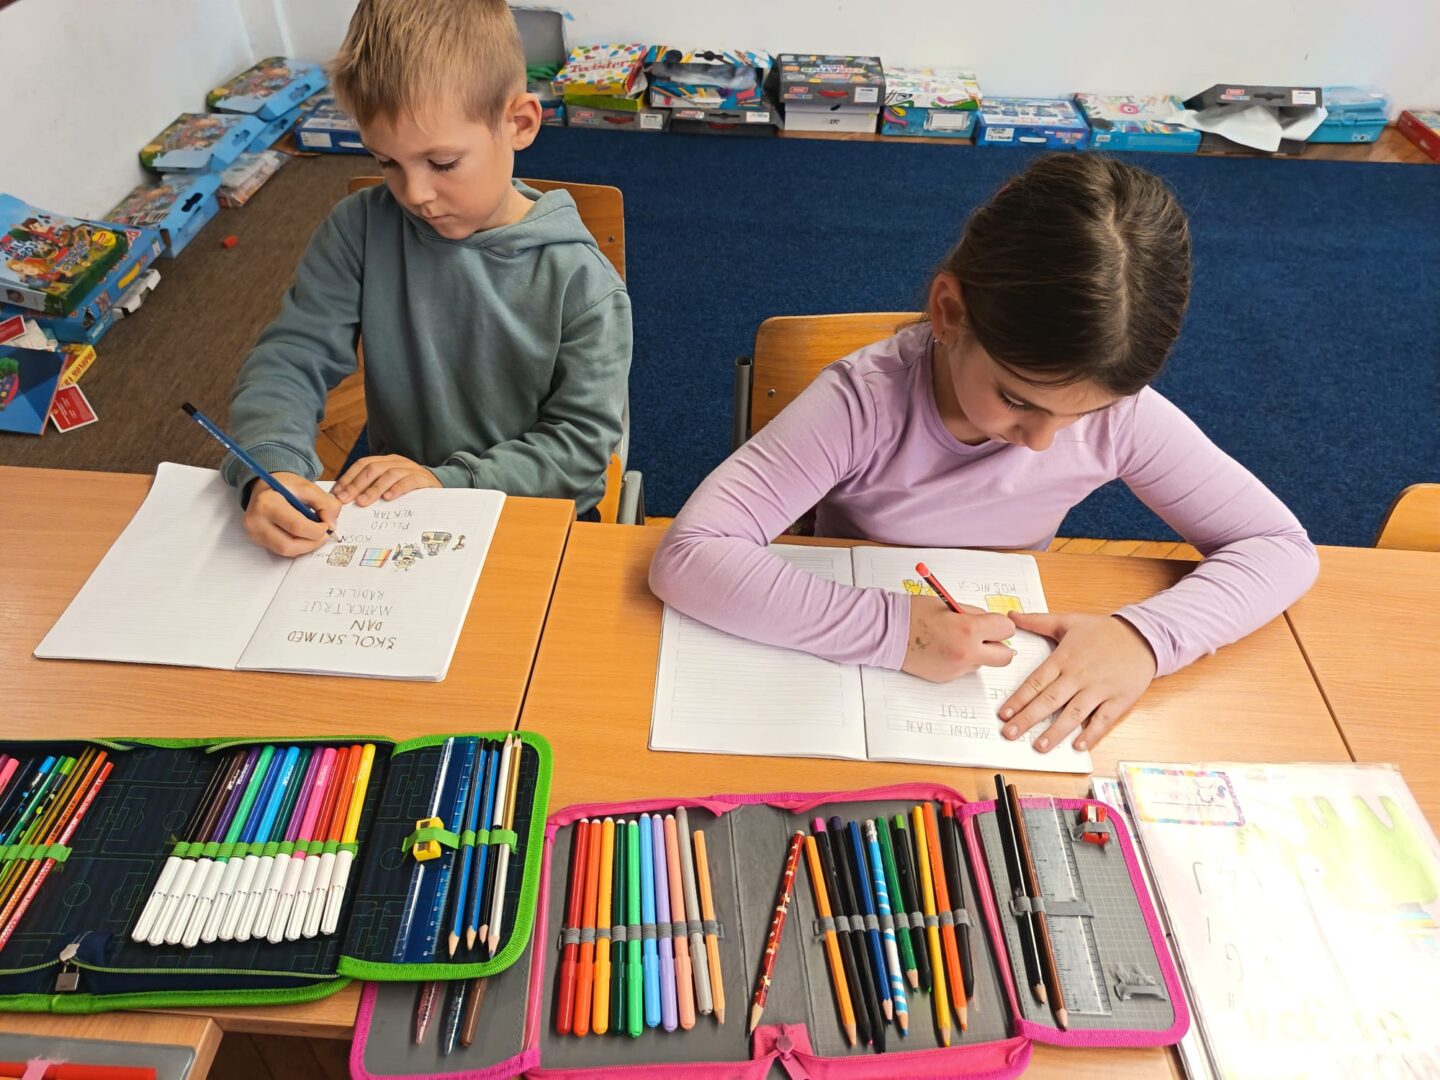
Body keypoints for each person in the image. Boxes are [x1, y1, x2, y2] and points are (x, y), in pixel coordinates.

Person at [649, 154, 1317, 753]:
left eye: (1084, 414)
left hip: (987, 661)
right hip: (859, 654)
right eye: (1018, 400)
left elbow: (1279, 546)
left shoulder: (1125, 416)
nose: (1043, 441)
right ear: (949, 313)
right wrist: (894, 631)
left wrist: (1144, 638)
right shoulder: (866, 401)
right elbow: (691, 554)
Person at [222, 0, 631, 554]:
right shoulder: (359, 229)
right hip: (399, 516)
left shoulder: (582, 282)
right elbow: (292, 357)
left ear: (519, 123)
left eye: (441, 163)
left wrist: (447, 482)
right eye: (387, 162)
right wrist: (272, 466)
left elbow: (578, 449)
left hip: (531, 518)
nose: (414, 195)